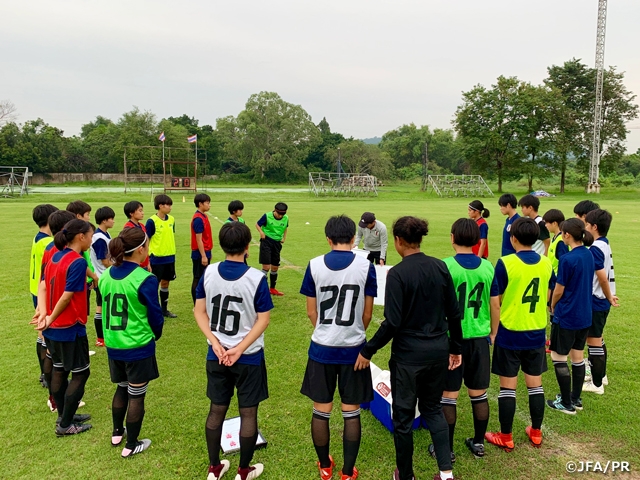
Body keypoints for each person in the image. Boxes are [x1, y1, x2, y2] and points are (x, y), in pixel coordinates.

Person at [355, 216, 462, 480]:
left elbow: (393, 322)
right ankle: (446, 474)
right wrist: (455, 348)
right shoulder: (440, 266)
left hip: (408, 357)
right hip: (437, 350)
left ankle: (405, 474)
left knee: (403, 417)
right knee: (433, 408)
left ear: (399, 241)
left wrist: (368, 350)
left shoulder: (398, 273)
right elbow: (454, 313)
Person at [300, 215, 377, 480]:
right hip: (354, 349)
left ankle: (324, 466)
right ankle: (347, 472)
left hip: (322, 347)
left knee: (321, 409)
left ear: (328, 239)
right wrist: (354, 333)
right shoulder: (366, 266)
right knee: (350, 410)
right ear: (353, 239)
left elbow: (312, 312)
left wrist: (325, 332)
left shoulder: (314, 264)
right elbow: (367, 314)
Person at [194, 221, 273, 480]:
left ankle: (214, 468)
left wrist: (215, 342)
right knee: (248, 411)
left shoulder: (210, 272)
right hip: (247, 356)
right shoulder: (257, 278)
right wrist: (238, 348)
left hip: (216, 355)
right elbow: (263, 319)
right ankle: (243, 470)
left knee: (217, 409)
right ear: (248, 247)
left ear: (220, 245)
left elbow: (199, 311)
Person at [485, 218, 554, 451]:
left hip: (510, 331)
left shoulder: (505, 263)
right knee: (535, 385)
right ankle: (536, 432)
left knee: (508, 387)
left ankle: (506, 436)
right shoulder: (546, 263)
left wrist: (493, 331)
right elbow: (548, 292)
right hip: (535, 330)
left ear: (513, 238)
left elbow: (495, 301)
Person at [99, 227, 164, 457]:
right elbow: (155, 315)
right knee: (137, 394)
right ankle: (132, 443)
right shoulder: (145, 278)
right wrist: (156, 334)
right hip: (137, 345)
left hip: (114, 345)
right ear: (140, 250)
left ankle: (118, 433)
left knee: (122, 387)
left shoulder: (105, 275)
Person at [438, 219, 494, 460]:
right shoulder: (487, 267)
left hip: (452, 340)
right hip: (479, 338)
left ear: (452, 237)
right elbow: (495, 303)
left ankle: (447, 449)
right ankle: (479, 443)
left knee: (449, 396)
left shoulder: (445, 266)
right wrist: (493, 332)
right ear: (475, 240)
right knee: (478, 393)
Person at [32, 219, 94, 436]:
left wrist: (43, 313)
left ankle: (63, 414)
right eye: (90, 236)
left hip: (53, 329)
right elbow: (67, 297)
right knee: (80, 373)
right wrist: (49, 317)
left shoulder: (54, 256)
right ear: (81, 237)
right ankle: (66, 424)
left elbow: (42, 286)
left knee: (59, 369)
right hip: (69, 327)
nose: (91, 240)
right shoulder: (76, 262)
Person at [546, 219, 594, 414]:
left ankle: (566, 403)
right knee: (577, 356)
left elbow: (558, 290)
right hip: (585, 314)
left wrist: (552, 305)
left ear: (566, 235)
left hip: (567, 314)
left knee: (558, 357)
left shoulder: (567, 259)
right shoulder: (589, 254)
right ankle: (576, 398)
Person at [583, 209, 619, 395]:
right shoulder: (604, 243)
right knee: (598, 338)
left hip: (597, 300)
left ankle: (596, 384)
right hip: (601, 299)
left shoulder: (596, 247)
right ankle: (601, 375)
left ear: (594, 227)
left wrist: (608, 295)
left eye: (587, 225)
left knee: (594, 341)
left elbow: (602, 277)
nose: (585, 228)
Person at [30, 204, 59, 388]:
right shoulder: (48, 243)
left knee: (42, 335)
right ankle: (48, 376)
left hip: (36, 290)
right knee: (46, 337)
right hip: (45, 292)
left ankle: (44, 374)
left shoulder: (38, 238)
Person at [146, 194, 177, 318]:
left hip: (169, 257)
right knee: (154, 284)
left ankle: (164, 310)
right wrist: (147, 259)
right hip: (156, 258)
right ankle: (155, 312)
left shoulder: (172, 219)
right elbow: (147, 239)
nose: (170, 207)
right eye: (167, 205)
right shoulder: (151, 221)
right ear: (160, 206)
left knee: (166, 283)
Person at [67, 201, 99, 313]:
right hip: (80, 282)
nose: (89, 218)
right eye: (87, 214)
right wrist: (93, 276)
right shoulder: (78, 239)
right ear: (78, 216)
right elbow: (77, 261)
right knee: (80, 313)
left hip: (84, 281)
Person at [90, 206, 115, 347]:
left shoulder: (105, 234)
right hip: (101, 278)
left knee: (104, 305)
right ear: (104, 220)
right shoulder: (99, 238)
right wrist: (118, 268)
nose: (113, 221)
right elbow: (104, 261)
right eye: (111, 219)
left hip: (104, 276)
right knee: (100, 306)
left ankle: (104, 336)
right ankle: (100, 338)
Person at [256, 202, 289, 296]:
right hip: (266, 241)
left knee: (275, 267)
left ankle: (272, 289)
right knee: (266, 267)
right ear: (275, 210)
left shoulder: (286, 218)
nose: (280, 216)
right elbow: (257, 224)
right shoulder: (267, 216)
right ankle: (261, 289)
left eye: (282, 214)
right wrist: (261, 232)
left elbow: (286, 227)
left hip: (277, 243)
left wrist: (284, 238)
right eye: (278, 214)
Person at [191, 193, 213, 304]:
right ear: (200, 204)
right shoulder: (198, 219)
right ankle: (196, 303)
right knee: (198, 277)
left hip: (206, 251)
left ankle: (203, 301)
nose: (209, 205)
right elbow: (198, 239)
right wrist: (203, 255)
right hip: (199, 253)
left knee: (204, 278)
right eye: (207, 203)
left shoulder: (204, 216)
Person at [123, 200, 151, 271]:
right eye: (140, 211)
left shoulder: (142, 226)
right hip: (135, 265)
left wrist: (148, 263)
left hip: (144, 262)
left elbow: (146, 245)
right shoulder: (128, 228)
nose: (143, 213)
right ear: (131, 213)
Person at [542, 209, 569, 275]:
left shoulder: (561, 241)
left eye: (547, 223)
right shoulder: (554, 238)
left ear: (554, 223)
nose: (545, 225)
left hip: (557, 279)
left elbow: (564, 263)